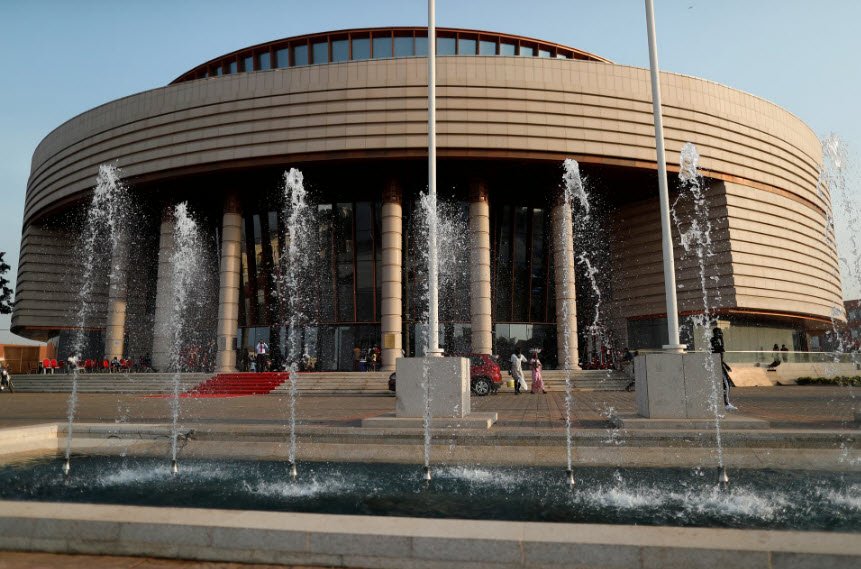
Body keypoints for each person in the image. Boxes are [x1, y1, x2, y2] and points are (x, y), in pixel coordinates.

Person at [710, 327, 737, 411]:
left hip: (720, 364)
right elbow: (721, 349)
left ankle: (725, 403)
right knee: (726, 385)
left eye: (721, 332)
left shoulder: (716, 340)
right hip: (717, 365)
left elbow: (720, 354)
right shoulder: (713, 341)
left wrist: (726, 365)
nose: (721, 334)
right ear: (715, 333)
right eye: (719, 332)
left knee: (726, 384)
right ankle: (725, 404)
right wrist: (722, 339)